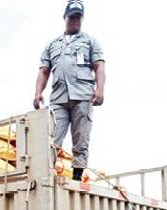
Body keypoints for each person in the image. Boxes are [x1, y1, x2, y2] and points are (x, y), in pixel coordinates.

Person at [33, 0, 105, 181]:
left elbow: (99, 66)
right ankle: (47, 175)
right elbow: (44, 71)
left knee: (81, 139)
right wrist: (38, 93)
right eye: (72, 17)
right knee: (52, 138)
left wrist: (100, 90)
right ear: (65, 17)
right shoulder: (52, 44)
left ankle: (77, 177)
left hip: (83, 95)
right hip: (59, 97)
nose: (75, 20)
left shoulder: (90, 41)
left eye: (78, 17)